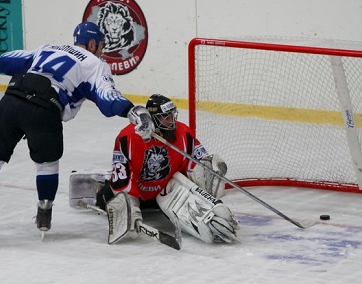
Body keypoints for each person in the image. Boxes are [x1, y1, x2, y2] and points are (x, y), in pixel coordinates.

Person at [0, 22, 154, 236]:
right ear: (92, 43)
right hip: (45, 108)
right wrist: (131, 110)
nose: (102, 51)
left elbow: (13, 60)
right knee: (47, 164)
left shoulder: (49, 48)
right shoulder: (95, 64)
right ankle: (44, 217)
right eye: (101, 46)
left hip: (11, 99)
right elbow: (106, 97)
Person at [70, 94, 239, 244]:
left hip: (165, 192)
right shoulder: (128, 138)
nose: (171, 121)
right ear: (154, 119)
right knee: (107, 198)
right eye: (166, 118)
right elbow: (122, 179)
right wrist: (131, 205)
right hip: (136, 190)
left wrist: (209, 168)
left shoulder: (184, 134)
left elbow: (198, 165)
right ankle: (101, 187)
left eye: (172, 116)